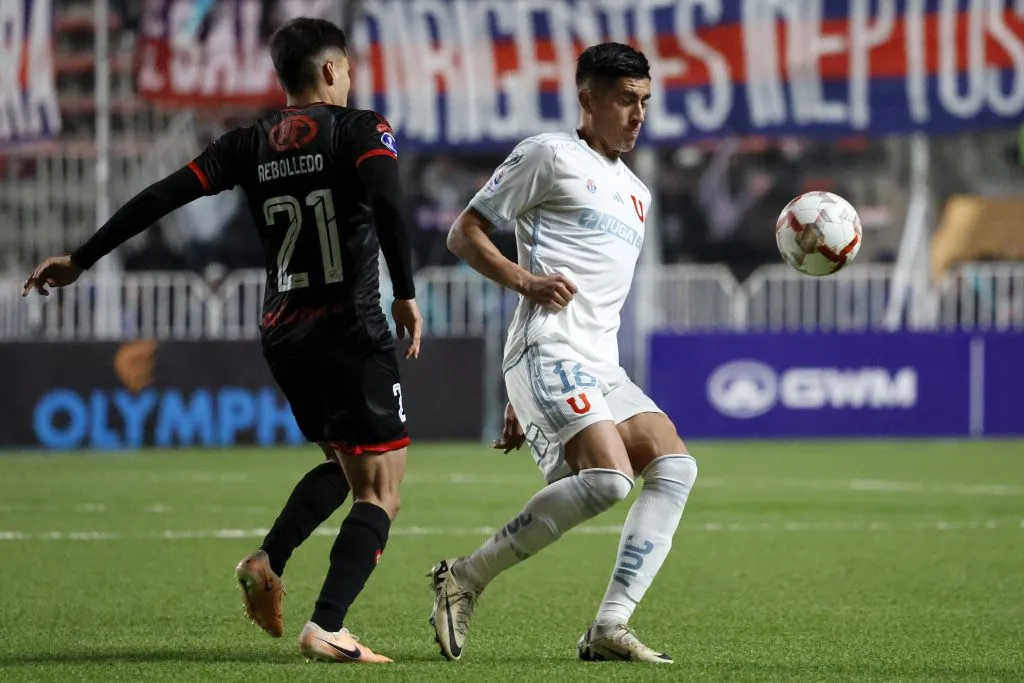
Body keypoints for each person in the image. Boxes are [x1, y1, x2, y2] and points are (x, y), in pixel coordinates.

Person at [22, 17, 421, 665]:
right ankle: (328, 625)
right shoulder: (361, 128)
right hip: (350, 328)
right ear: (329, 71)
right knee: (383, 490)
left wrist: (83, 257)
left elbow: (159, 197)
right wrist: (405, 291)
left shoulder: (249, 142)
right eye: (345, 67)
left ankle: (267, 558)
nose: (350, 77)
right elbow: (389, 204)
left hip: (284, 333)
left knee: (343, 468)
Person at [428, 42, 698, 664]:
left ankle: (609, 627)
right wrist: (527, 283)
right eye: (626, 100)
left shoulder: (637, 192)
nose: (638, 115)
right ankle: (464, 577)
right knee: (608, 481)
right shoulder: (548, 153)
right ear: (588, 99)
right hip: (546, 345)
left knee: (676, 467)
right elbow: (463, 232)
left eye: (645, 102)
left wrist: (532, 402)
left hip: (598, 362)